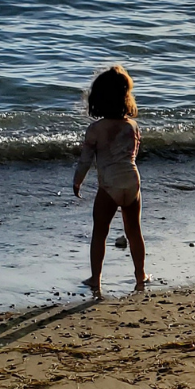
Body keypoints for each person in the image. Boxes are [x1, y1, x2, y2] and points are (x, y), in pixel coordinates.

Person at [73, 65, 147, 296]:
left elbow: (86, 161)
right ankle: (140, 274)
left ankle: (96, 278)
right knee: (134, 231)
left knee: (100, 232)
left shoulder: (95, 129)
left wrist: (78, 181)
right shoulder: (132, 126)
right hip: (132, 181)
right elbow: (133, 153)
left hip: (109, 185)